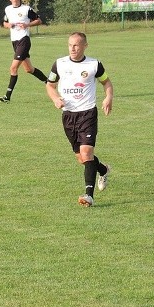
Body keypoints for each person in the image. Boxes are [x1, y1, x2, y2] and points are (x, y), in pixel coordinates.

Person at [45, 32, 114, 207]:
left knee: (86, 153)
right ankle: (103, 170)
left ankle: (88, 196)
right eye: (70, 45)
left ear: (85, 46)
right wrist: (55, 98)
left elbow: (106, 82)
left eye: (76, 45)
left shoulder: (94, 64)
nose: (72, 48)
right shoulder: (59, 64)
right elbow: (50, 85)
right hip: (68, 116)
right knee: (81, 158)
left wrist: (108, 97)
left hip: (88, 113)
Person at [0, 0, 48, 103]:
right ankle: (49, 82)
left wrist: (27, 24)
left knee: (13, 68)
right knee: (29, 69)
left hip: (24, 40)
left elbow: (39, 20)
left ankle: (7, 97)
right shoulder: (8, 9)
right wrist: (8, 25)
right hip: (14, 42)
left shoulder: (26, 9)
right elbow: (4, 23)